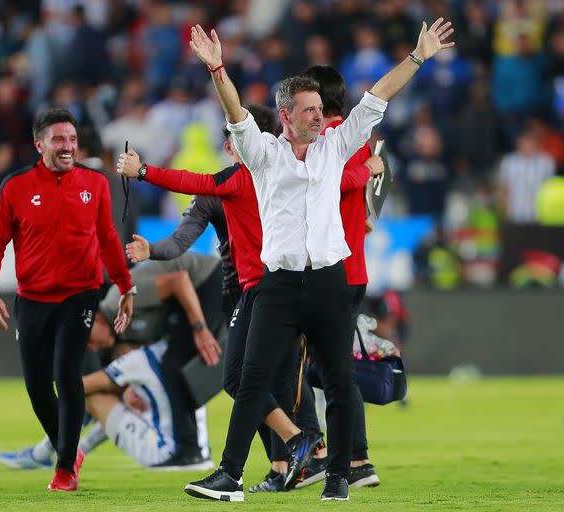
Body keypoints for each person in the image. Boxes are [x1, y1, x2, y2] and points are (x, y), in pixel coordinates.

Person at [182, 19, 455, 502]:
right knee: (251, 381)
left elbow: (377, 98)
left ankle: (337, 479)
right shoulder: (261, 154)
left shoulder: (336, 145)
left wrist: (418, 56)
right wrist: (216, 68)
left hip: (329, 280)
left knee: (340, 382)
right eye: (308, 110)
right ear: (285, 115)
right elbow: (236, 113)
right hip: (279, 285)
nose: (319, 117)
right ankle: (229, 477)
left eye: (319, 109)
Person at [118, 104, 323, 493]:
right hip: (258, 291)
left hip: (268, 291)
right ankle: (287, 461)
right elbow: (182, 235)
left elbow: (190, 181)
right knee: (263, 383)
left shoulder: (240, 180)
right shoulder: (281, 176)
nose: (228, 145)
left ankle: (300, 450)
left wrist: (144, 172)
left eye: (233, 137)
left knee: (250, 382)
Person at [0, 108, 134, 492]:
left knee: (68, 376)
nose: (68, 147)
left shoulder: (95, 183)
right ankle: (69, 448)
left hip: (80, 295)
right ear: (39, 144)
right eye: (59, 140)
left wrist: (125, 287)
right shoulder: (15, 186)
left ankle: (65, 467)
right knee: (36, 386)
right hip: (32, 299)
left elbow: (109, 239)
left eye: (72, 140)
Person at [0, 253, 224, 471]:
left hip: (208, 278)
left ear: (93, 318)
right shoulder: (122, 334)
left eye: (88, 340)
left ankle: (191, 451)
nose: (93, 347)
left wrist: (199, 328)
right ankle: (56, 450)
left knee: (172, 366)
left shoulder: (118, 300)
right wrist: (127, 389)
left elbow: (179, 281)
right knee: (171, 368)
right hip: (193, 298)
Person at [294, 64, 385, 489]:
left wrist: (367, 173)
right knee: (331, 368)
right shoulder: (359, 141)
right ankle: (354, 456)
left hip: (333, 270)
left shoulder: (327, 138)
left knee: (313, 369)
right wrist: (373, 176)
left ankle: (329, 454)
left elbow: (341, 181)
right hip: (351, 267)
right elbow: (369, 190)